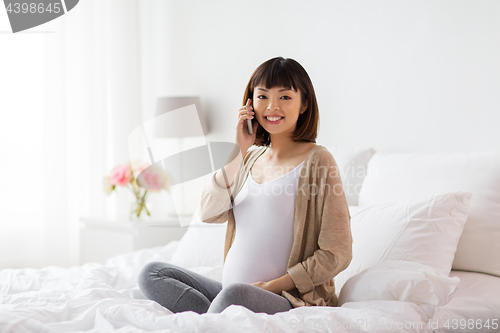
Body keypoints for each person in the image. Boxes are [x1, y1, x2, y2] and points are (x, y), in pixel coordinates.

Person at [138, 57, 353, 315]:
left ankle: (212, 318)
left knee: (234, 294)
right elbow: (207, 212)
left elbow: (337, 251)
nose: (272, 107)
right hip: (232, 292)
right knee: (152, 273)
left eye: (284, 97)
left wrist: (273, 286)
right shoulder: (249, 157)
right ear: (251, 103)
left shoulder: (318, 161)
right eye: (263, 97)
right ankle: (216, 318)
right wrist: (239, 149)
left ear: (304, 103)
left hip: (285, 298)